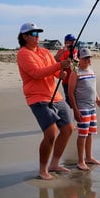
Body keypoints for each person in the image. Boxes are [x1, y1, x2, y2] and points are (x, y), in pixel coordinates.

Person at [17, 22, 74, 180]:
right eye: (33, 34)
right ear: (24, 37)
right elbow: (36, 73)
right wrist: (58, 66)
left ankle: (54, 164)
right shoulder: (23, 54)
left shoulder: (45, 52)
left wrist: (61, 72)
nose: (37, 37)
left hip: (54, 96)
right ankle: (43, 170)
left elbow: (54, 72)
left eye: (38, 33)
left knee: (68, 128)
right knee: (51, 133)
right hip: (37, 97)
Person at [68, 47, 100, 171]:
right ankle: (81, 160)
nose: (88, 60)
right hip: (82, 107)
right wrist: (76, 110)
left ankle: (89, 157)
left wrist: (97, 98)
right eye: (85, 58)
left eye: (89, 58)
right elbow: (70, 92)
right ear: (80, 59)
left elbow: (92, 87)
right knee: (82, 134)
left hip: (92, 107)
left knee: (90, 133)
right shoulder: (75, 72)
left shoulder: (91, 70)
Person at [54, 34, 78, 107]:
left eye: (74, 41)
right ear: (65, 42)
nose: (73, 43)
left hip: (76, 80)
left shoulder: (75, 51)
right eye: (71, 41)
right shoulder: (62, 51)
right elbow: (54, 60)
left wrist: (73, 62)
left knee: (77, 100)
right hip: (67, 81)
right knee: (70, 100)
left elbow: (75, 67)